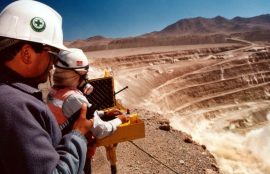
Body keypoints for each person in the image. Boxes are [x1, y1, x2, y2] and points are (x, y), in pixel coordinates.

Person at [0, 1, 93, 174]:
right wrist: (78, 135)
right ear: (27, 54)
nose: (53, 65)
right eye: (53, 55)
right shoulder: (14, 106)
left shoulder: (12, 96)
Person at [47, 48, 128, 173]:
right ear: (75, 75)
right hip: (75, 155)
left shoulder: (54, 91)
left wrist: (105, 113)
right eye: (84, 75)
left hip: (60, 148)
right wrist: (119, 120)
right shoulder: (74, 98)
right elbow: (101, 130)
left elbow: (77, 115)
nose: (86, 78)